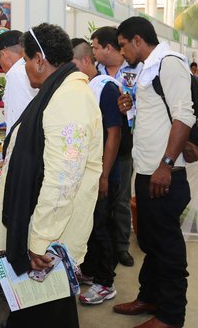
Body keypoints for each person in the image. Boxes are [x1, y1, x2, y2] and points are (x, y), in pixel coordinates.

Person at [0, 23, 102, 327]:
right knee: (46, 314)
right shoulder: (58, 92)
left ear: (40, 59)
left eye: (26, 60)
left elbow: (63, 178)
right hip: (46, 230)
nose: (25, 68)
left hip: (51, 238)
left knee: (44, 315)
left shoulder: (70, 98)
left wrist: (40, 239)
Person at [113, 16, 194, 328]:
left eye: (123, 46)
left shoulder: (169, 63)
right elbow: (155, 117)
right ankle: (150, 297)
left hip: (165, 174)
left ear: (137, 40)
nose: (122, 53)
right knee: (150, 242)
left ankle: (171, 316)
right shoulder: (146, 68)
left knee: (168, 248)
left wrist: (167, 165)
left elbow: (183, 117)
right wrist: (129, 107)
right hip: (147, 170)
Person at [71, 38, 123, 305]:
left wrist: (103, 175)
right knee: (88, 224)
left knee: (102, 225)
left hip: (103, 172)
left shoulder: (106, 89)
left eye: (72, 66)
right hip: (87, 171)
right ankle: (91, 271)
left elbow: (114, 133)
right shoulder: (86, 88)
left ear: (85, 62)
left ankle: (106, 282)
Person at [91, 26, 141, 267]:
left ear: (108, 48)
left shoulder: (136, 70)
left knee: (120, 197)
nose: (93, 52)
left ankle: (121, 246)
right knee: (99, 199)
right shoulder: (94, 72)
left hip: (124, 144)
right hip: (95, 145)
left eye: (96, 47)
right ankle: (101, 247)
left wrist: (132, 106)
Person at [0, 30, 38, 128]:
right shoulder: (32, 68)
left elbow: (19, 116)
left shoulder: (15, 73)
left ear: (3, 55)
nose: (2, 69)